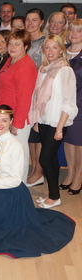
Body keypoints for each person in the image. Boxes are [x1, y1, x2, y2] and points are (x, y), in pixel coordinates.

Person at [0, 105, 75, 258]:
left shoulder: (16, 146)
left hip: (11, 193)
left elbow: (14, 180)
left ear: (11, 121)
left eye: (4, 120)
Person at [29, 35, 77, 208]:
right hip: (44, 120)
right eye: (47, 48)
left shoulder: (65, 70)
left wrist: (59, 127)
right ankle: (53, 194)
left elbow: (69, 101)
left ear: (61, 50)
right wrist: (37, 120)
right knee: (51, 160)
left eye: (54, 48)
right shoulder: (44, 68)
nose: (50, 51)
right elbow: (38, 98)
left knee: (45, 159)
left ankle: (55, 196)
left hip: (57, 121)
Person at [0, 30, 38, 184]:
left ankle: (20, 187)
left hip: (17, 118)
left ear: (26, 46)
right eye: (11, 43)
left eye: (17, 44)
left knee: (19, 155)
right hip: (5, 115)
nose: (12, 47)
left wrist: (17, 124)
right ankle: (9, 185)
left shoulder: (25, 65)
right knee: (8, 154)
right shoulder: (11, 59)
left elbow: (24, 99)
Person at [25, 8, 46, 183]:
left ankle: (39, 171)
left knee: (38, 135)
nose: (30, 23)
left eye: (34, 20)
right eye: (28, 20)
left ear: (41, 22)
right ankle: (33, 169)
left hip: (39, 94)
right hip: (26, 94)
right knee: (30, 136)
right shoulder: (24, 41)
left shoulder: (45, 42)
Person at [62, 19, 82, 194]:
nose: (74, 34)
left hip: (80, 103)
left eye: (79, 31)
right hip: (62, 104)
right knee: (68, 140)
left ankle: (79, 177)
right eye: (72, 30)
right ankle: (70, 173)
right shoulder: (62, 49)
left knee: (79, 142)